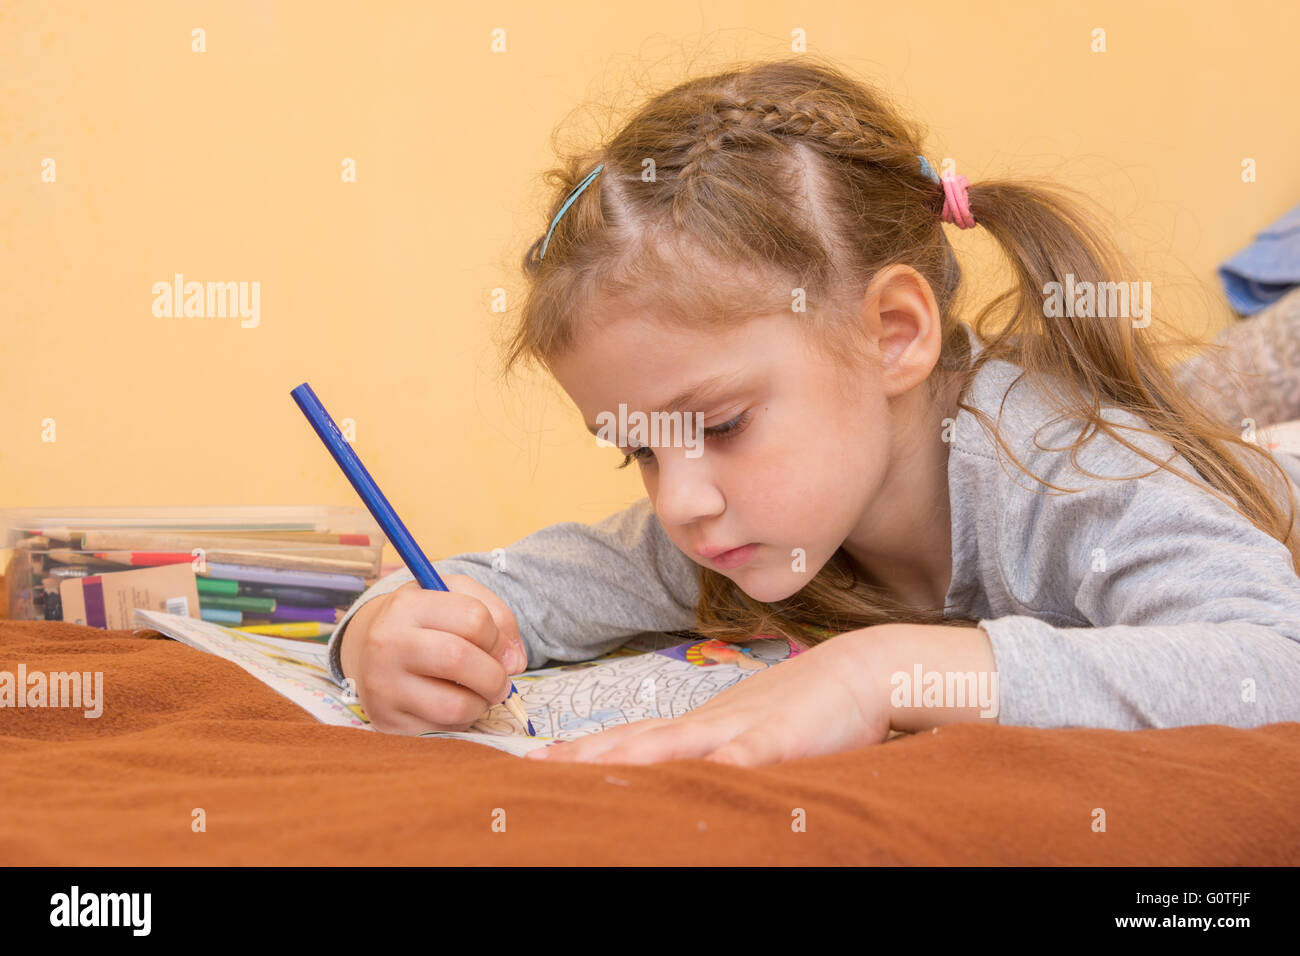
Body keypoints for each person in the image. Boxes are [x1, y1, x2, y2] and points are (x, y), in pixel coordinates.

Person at [331, 56, 1300, 766]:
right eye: (638, 450)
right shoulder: (743, 518)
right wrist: (384, 629)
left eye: (718, 424)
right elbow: (509, 587)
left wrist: (878, 670)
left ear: (890, 333)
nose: (680, 501)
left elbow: (1269, 662)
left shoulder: (1065, 469)